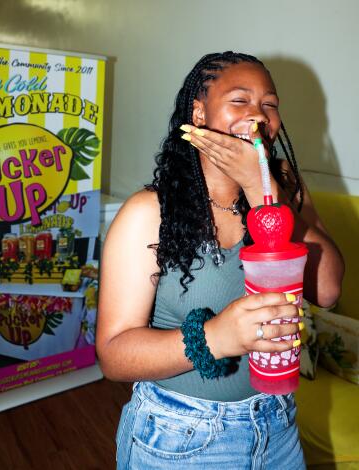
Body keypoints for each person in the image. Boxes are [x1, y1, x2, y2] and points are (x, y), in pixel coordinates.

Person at [97, 51, 344, 469]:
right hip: (181, 434)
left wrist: (262, 191)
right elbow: (114, 355)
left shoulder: (286, 186)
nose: (258, 116)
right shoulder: (148, 213)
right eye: (240, 100)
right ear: (199, 112)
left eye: (270, 104)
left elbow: (328, 290)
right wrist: (215, 338)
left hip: (278, 423)